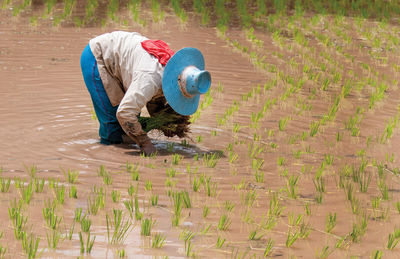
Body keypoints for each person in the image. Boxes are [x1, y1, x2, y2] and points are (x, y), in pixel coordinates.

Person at [80, 31, 211, 155]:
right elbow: (124, 113)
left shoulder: (176, 69)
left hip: (125, 62)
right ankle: (107, 157)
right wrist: (145, 143)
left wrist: (163, 121)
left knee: (129, 124)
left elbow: (155, 95)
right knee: (113, 126)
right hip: (98, 57)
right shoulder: (150, 77)